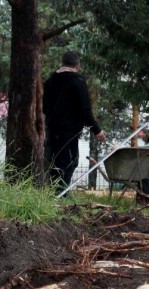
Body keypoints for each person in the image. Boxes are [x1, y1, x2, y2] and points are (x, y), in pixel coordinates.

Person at [43, 51, 107, 194]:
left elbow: (45, 108)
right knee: (70, 162)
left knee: (54, 163)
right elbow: (85, 109)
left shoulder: (49, 81)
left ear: (62, 62)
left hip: (52, 129)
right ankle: (61, 194)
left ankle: (55, 193)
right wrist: (97, 130)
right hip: (69, 131)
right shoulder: (77, 81)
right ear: (77, 65)